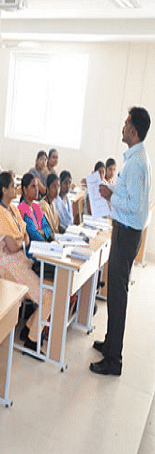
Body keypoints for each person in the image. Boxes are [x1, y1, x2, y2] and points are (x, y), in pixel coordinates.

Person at [91, 107, 152, 376]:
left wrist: (109, 196)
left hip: (126, 232)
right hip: (125, 231)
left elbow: (135, 205)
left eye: (126, 123)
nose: (123, 127)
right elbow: (128, 193)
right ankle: (110, 343)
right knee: (116, 292)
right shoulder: (137, 158)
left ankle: (113, 360)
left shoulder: (137, 163)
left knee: (117, 295)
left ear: (134, 131)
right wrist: (111, 188)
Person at [0, 172, 52, 352]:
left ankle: (29, 329)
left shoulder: (13, 209)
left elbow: (25, 236)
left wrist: (20, 240)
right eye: (12, 186)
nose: (16, 188)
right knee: (47, 297)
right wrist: (21, 240)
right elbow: (13, 246)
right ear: (4, 190)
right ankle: (32, 340)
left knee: (49, 294)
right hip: (8, 265)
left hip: (20, 260)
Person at [18, 173, 52, 260]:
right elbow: (34, 235)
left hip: (41, 248)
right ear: (25, 189)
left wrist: (42, 232)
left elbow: (48, 228)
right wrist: (43, 234)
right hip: (32, 253)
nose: (37, 189)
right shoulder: (22, 209)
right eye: (33, 186)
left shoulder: (36, 207)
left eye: (37, 186)